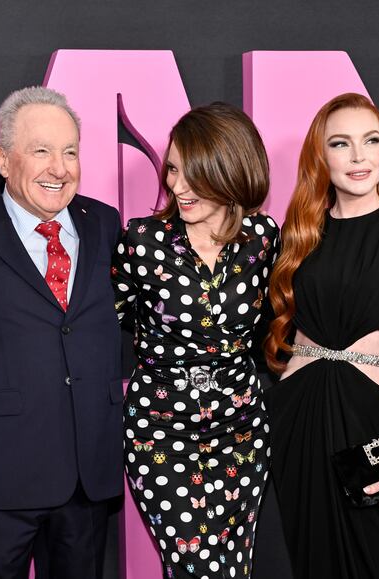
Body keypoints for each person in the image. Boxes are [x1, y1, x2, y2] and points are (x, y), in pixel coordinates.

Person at [0, 86, 123, 579]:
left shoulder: (107, 224)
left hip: (86, 477)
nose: (60, 168)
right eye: (41, 151)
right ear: (3, 159)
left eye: (70, 151)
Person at [264, 93, 379, 579]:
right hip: (299, 417)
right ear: (321, 156)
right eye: (341, 144)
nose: (359, 156)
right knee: (309, 561)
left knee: (377, 562)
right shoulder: (299, 234)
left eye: (371, 141)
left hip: (372, 419)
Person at [112, 102, 280, 579]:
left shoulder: (263, 239)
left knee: (234, 562)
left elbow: (274, 319)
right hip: (161, 428)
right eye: (173, 169)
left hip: (242, 425)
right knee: (194, 566)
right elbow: (115, 317)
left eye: (194, 175)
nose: (176, 186)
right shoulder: (141, 242)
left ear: (230, 173)